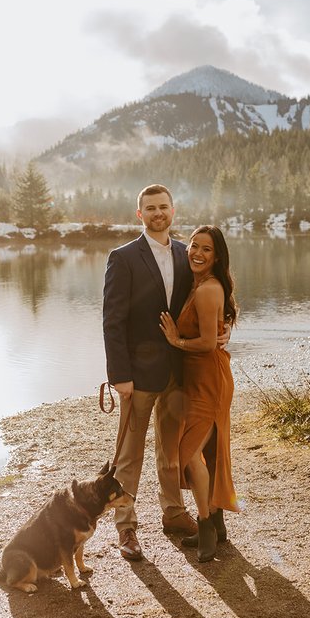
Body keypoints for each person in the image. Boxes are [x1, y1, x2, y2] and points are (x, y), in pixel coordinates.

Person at [102, 184, 200, 562]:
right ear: (139, 214)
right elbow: (113, 320)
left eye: (163, 206)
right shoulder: (123, 257)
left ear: (173, 211)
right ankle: (126, 527)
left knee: (171, 449)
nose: (158, 213)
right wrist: (119, 374)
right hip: (137, 375)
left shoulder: (184, 253)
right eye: (150, 208)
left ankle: (173, 513)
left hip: (177, 371)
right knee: (128, 454)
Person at [158, 225, 239, 563]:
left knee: (189, 451)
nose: (197, 253)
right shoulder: (199, 284)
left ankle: (205, 523)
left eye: (206, 249)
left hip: (210, 381)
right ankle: (216, 522)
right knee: (206, 451)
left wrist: (176, 340)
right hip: (199, 379)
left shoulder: (208, 290)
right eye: (193, 246)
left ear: (216, 256)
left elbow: (207, 343)